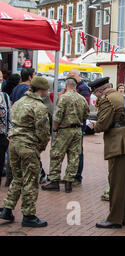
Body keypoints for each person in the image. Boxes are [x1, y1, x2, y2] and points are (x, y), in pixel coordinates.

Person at [89, 77, 125, 228]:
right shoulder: (124, 97)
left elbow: (103, 124)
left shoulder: (108, 99)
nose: (97, 96)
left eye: (96, 93)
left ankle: (114, 219)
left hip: (119, 145)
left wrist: (94, 125)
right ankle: (123, 217)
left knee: (117, 183)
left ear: (100, 91)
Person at [0, 76, 51, 227]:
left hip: (14, 144)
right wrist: (41, 146)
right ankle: (29, 215)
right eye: (47, 89)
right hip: (28, 146)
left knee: (17, 178)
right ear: (41, 89)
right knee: (30, 180)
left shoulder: (19, 102)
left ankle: (7, 209)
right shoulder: (39, 106)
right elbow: (43, 132)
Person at [41, 76, 89, 193]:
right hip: (77, 130)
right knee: (74, 157)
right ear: (76, 86)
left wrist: (55, 129)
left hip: (64, 130)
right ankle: (69, 182)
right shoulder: (81, 98)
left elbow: (57, 116)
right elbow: (86, 114)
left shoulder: (63, 98)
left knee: (56, 155)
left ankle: (54, 181)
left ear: (66, 85)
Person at [68, 68, 91, 186]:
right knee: (71, 151)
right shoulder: (70, 87)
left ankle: (77, 177)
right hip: (68, 126)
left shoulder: (83, 88)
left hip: (78, 124)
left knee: (78, 151)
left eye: (72, 74)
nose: (70, 76)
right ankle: (71, 174)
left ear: (79, 76)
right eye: (69, 74)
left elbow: (85, 107)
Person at [0, 89, 11, 186]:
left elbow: (9, 117)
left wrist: (8, 132)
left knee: (1, 162)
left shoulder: (5, 97)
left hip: (2, 136)